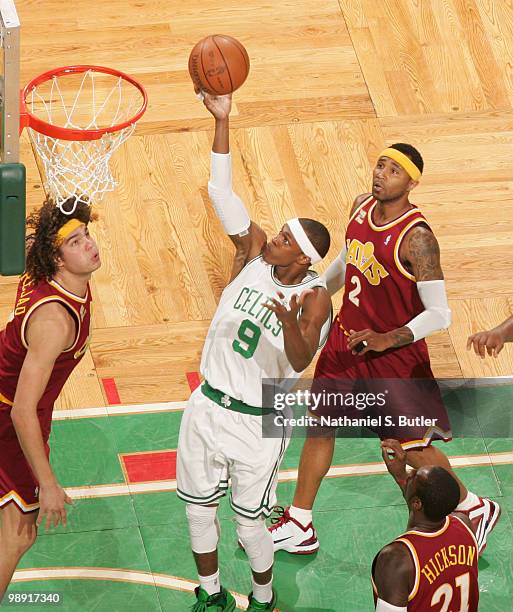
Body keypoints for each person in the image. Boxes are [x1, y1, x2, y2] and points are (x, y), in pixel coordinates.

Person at [269, 144, 500, 555]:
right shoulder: (360, 207)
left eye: (393, 171)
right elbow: (347, 261)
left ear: (411, 183)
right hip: (347, 341)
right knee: (320, 424)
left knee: (414, 449)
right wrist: (311, 291)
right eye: (380, 165)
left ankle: (472, 506)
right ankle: (300, 521)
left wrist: (386, 338)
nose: (381, 174)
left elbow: (441, 314)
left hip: (393, 355)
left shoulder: (418, 239)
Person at [176, 91, 332, 612]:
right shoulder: (253, 255)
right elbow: (220, 191)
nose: (276, 238)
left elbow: (302, 357)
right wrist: (223, 120)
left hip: (259, 419)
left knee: (247, 523)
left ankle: (263, 599)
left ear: (303, 258)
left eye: (286, 239)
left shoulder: (313, 297)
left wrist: (288, 323)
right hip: (207, 404)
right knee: (199, 514)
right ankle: (211, 594)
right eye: (280, 232)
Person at [0, 197, 100, 599]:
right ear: (56, 259)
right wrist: (50, 483)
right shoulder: (55, 321)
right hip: (10, 414)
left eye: (87, 235)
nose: (89, 244)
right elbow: (24, 410)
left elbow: (42, 231)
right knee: (18, 534)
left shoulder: (48, 272)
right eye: (75, 242)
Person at [372, 439, 479, 612]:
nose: (411, 472)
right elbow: (423, 516)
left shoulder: (396, 560)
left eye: (414, 476)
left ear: (417, 504)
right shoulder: (464, 524)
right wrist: (400, 476)